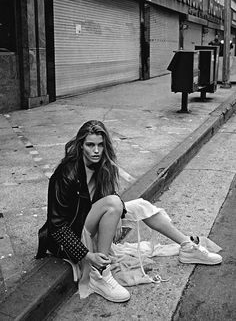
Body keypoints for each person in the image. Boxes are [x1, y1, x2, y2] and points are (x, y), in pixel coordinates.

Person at [36, 120, 222, 303]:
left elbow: (110, 195)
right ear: (80, 145)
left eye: (100, 145)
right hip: (70, 236)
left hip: (90, 222)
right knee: (114, 205)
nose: (96, 151)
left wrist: (117, 216)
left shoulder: (102, 166)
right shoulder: (65, 174)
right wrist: (87, 255)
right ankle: (99, 274)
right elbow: (57, 226)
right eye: (90, 145)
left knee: (142, 205)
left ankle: (187, 247)